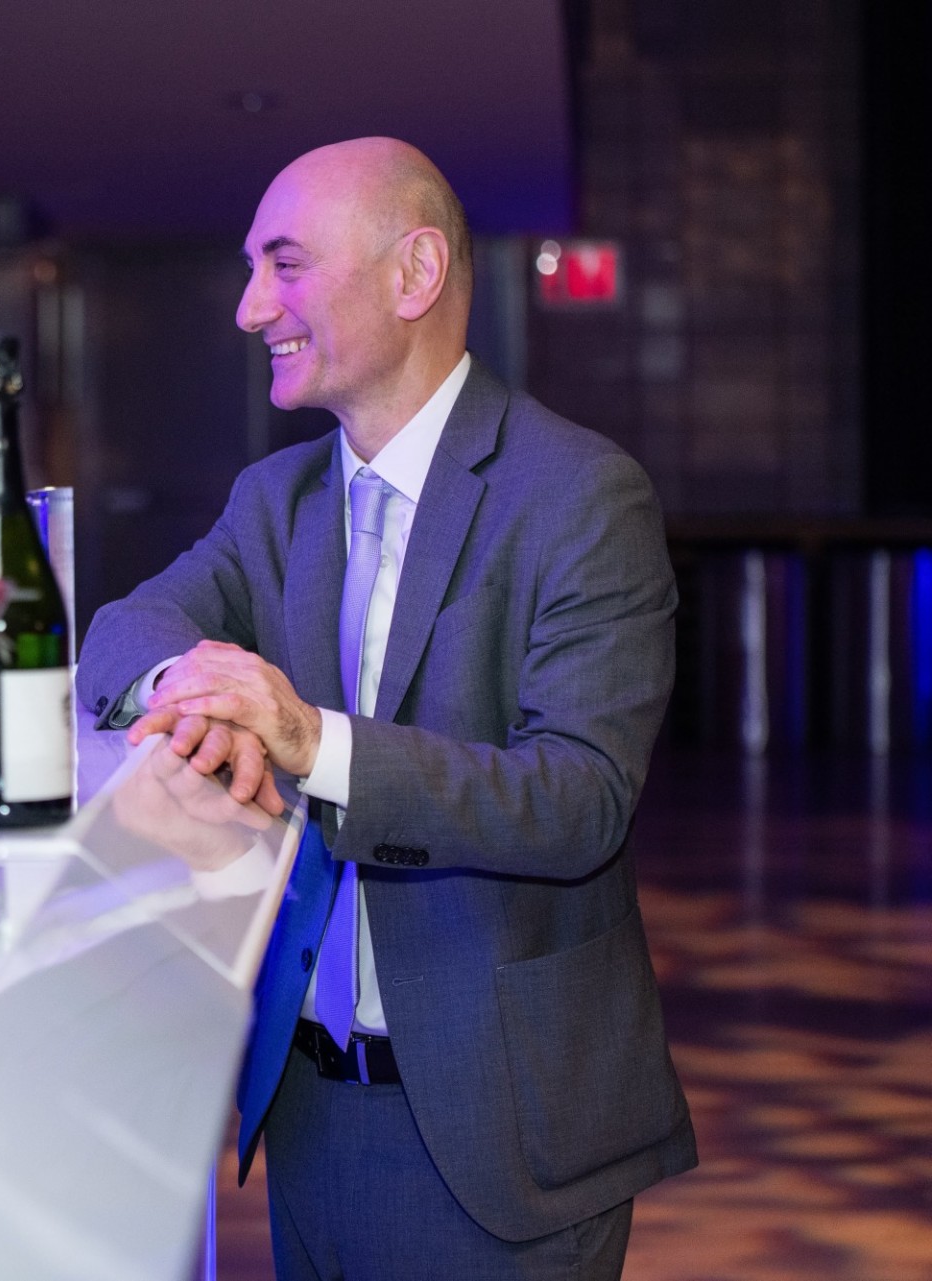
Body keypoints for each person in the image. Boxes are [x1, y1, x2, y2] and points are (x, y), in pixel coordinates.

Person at [76, 138, 695, 1278]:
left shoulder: (579, 495)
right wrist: (192, 690)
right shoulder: (277, 499)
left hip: (505, 1141)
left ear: (413, 275)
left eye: (286, 265)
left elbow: (579, 801)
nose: (250, 306)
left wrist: (308, 741)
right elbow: (119, 632)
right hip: (306, 1114)